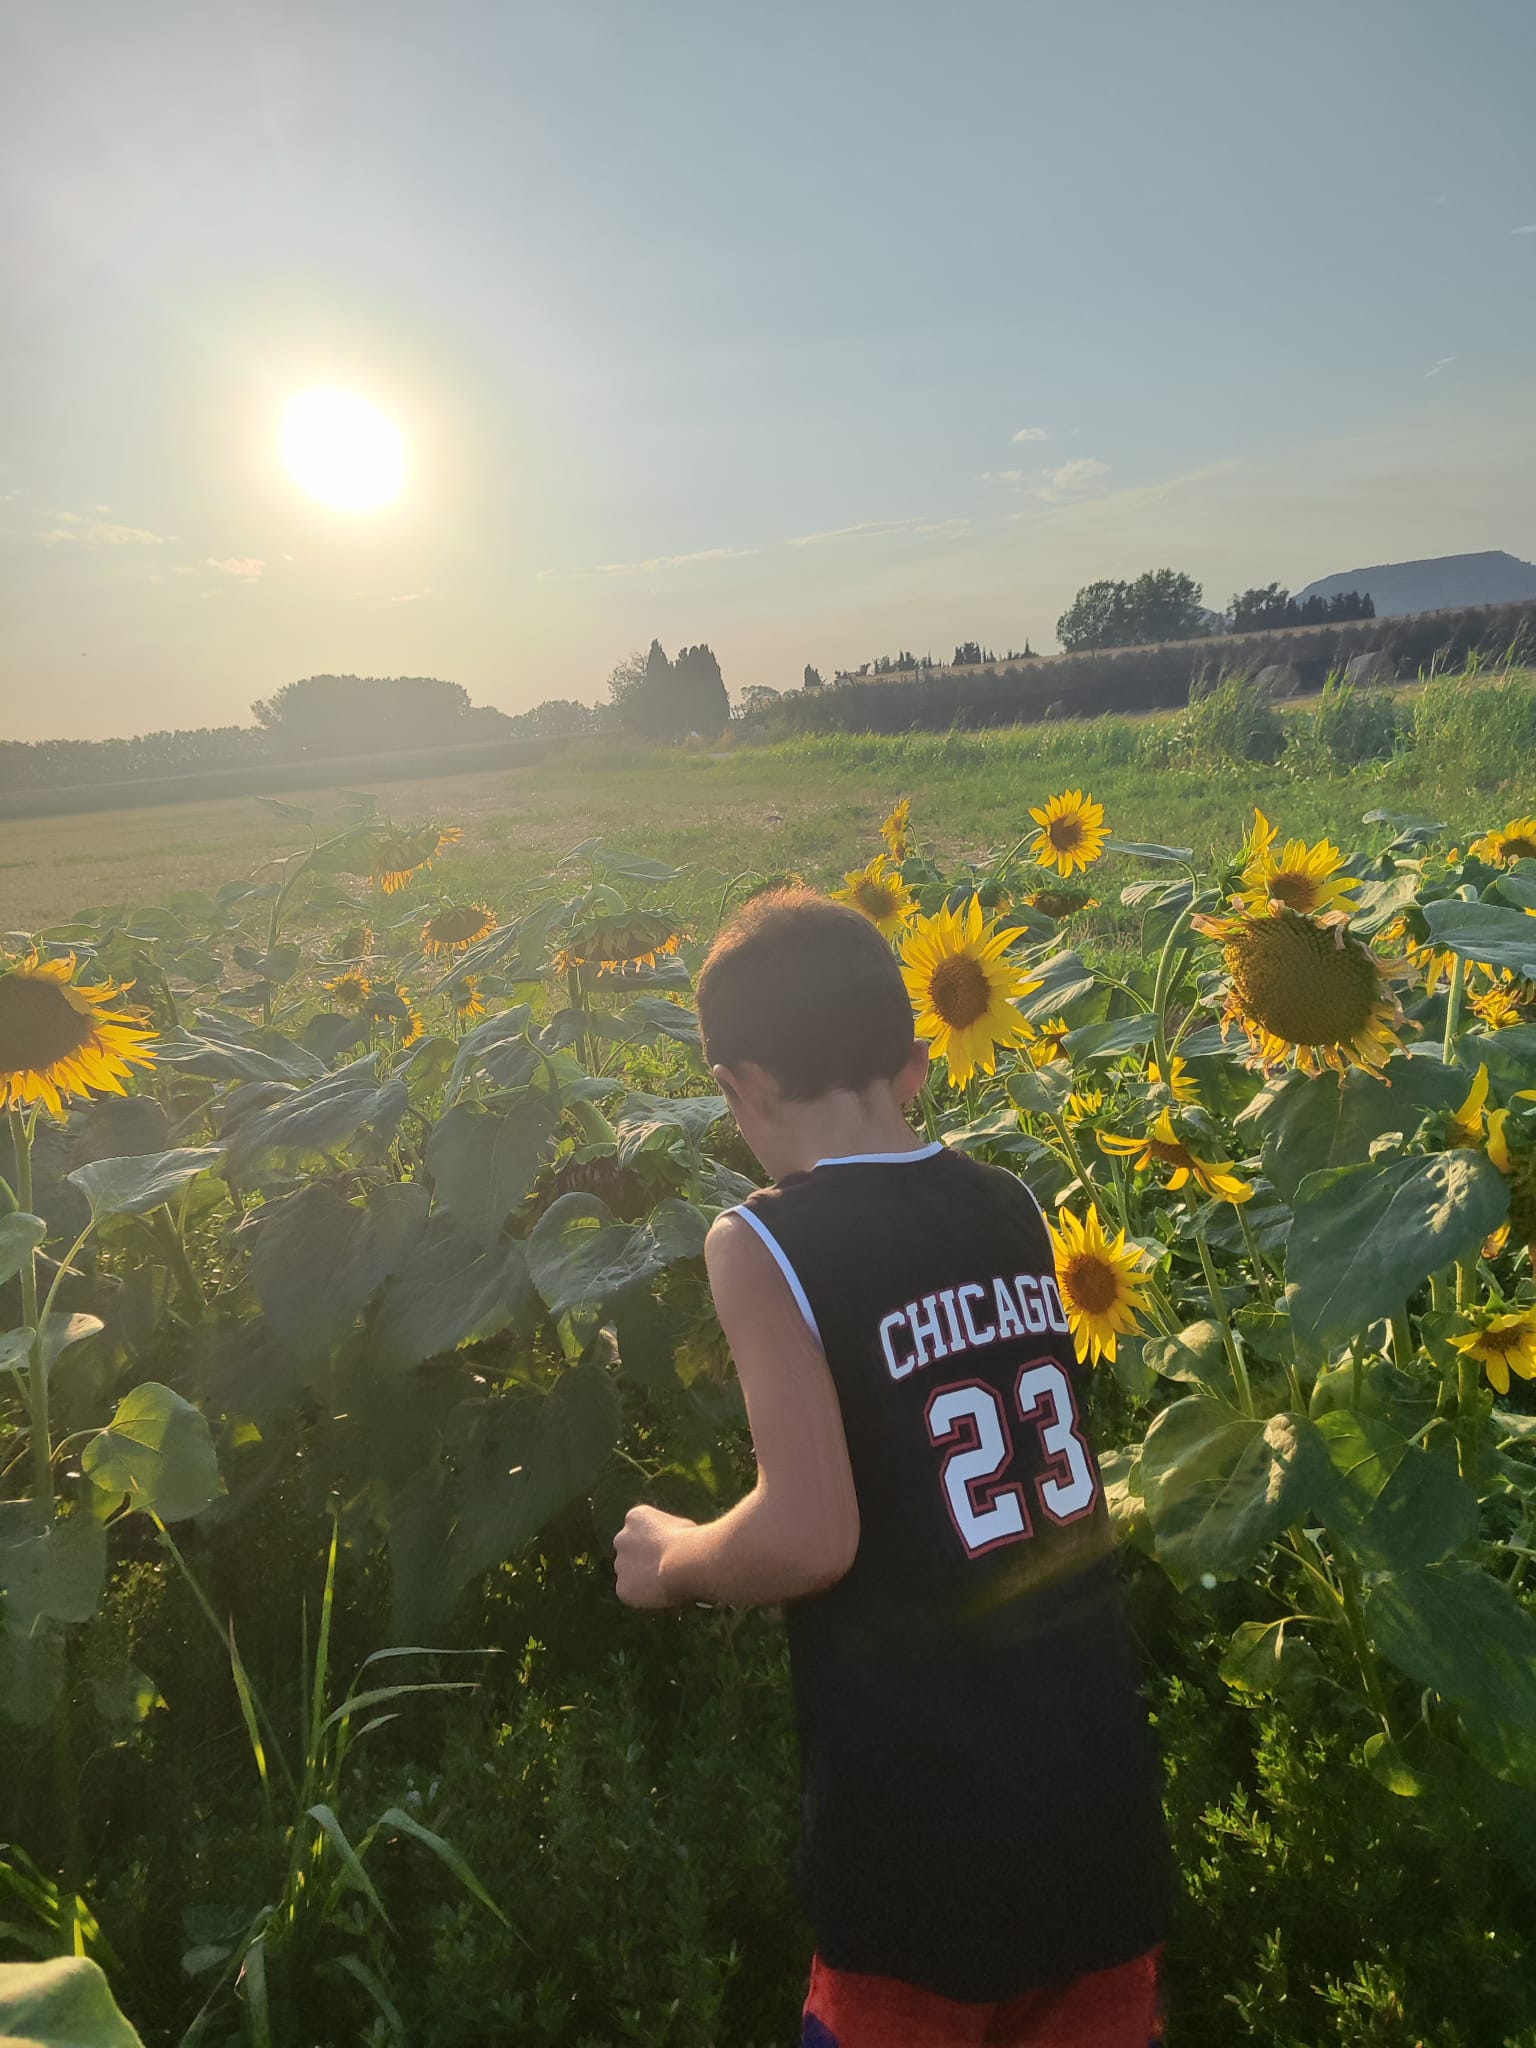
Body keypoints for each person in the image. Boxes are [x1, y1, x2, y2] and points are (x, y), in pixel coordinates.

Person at [614, 889, 1171, 2048]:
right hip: (1100, 1816)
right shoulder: (1011, 1203)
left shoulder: (763, 1239)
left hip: (925, 1844)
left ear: (744, 1084)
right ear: (912, 1056)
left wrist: (674, 1559)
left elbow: (813, 1534)